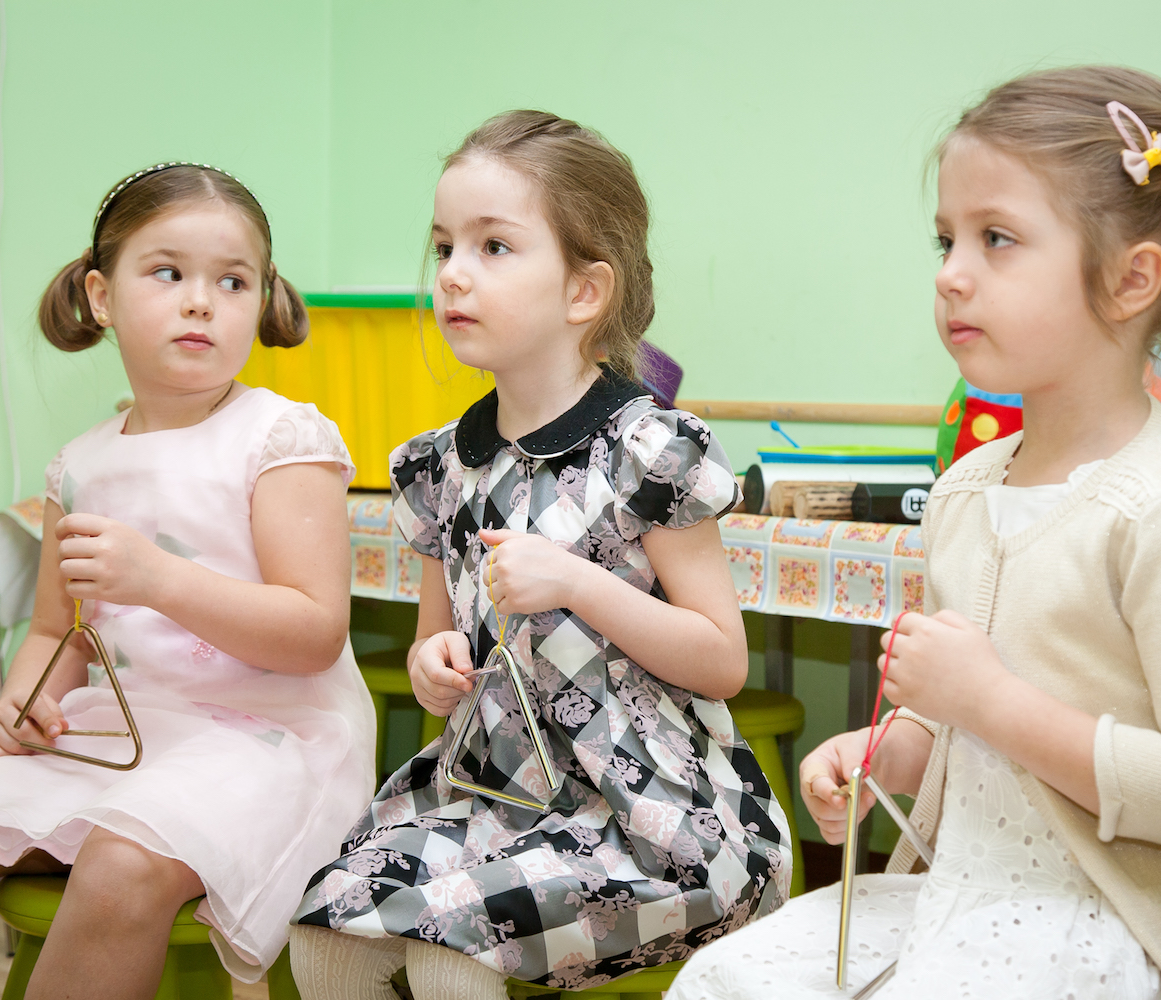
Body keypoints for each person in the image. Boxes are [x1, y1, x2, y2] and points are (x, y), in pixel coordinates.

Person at [668, 66, 1161, 1000]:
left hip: (1136, 929)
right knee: (722, 981)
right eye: (946, 238)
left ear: (1132, 279)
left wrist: (989, 702)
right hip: (971, 896)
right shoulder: (969, 491)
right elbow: (948, 723)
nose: (950, 273)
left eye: (998, 239)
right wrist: (884, 754)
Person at [290, 111, 792, 1000]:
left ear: (584, 291)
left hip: (655, 823)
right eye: (444, 246)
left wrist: (576, 583)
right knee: (329, 922)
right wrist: (431, 667)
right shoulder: (437, 464)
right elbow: (432, 650)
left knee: (453, 945)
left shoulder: (648, 449)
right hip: (494, 802)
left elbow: (721, 661)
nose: (452, 273)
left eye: (494, 247)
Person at [0, 163, 376, 998]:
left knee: (121, 863)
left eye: (232, 280)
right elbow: (59, 630)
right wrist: (23, 703)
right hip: (129, 730)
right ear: (101, 296)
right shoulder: (81, 465)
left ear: (262, 298)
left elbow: (313, 635)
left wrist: (159, 578)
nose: (201, 300)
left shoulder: (282, 439)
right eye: (168, 272)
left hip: (272, 740)